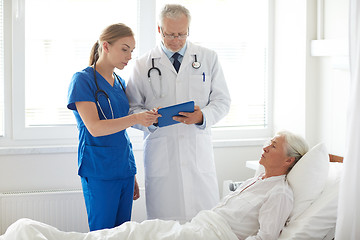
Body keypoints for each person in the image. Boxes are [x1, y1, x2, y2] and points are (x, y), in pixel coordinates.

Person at [1, 131, 309, 240]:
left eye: (273, 145)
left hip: (208, 236)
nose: (265, 148)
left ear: (289, 161)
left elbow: (267, 237)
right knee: (131, 232)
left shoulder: (279, 191)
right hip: (197, 228)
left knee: (134, 234)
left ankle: (32, 235)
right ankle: (33, 234)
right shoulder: (258, 179)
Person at [126, 4, 231, 222]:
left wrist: (202, 117)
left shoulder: (207, 58)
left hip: (197, 154)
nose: (177, 40)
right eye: (170, 34)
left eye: (182, 34)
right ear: (159, 30)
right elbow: (131, 108)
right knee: (164, 228)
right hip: (162, 156)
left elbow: (222, 101)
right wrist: (150, 121)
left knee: (205, 226)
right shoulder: (143, 64)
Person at [66, 23, 160, 231]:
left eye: (132, 51)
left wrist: (131, 173)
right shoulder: (83, 80)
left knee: (123, 233)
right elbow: (95, 128)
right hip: (98, 169)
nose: (129, 56)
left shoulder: (119, 82)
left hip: (123, 169)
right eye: (124, 49)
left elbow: (120, 132)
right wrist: (136, 118)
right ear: (106, 46)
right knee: (102, 232)